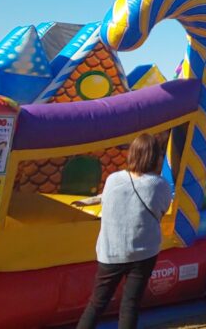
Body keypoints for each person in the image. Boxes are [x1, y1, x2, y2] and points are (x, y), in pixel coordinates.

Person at [74, 133, 173, 329]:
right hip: (143, 252)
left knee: (97, 303)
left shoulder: (113, 179)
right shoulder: (159, 185)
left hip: (111, 252)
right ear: (155, 157)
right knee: (130, 304)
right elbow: (161, 210)